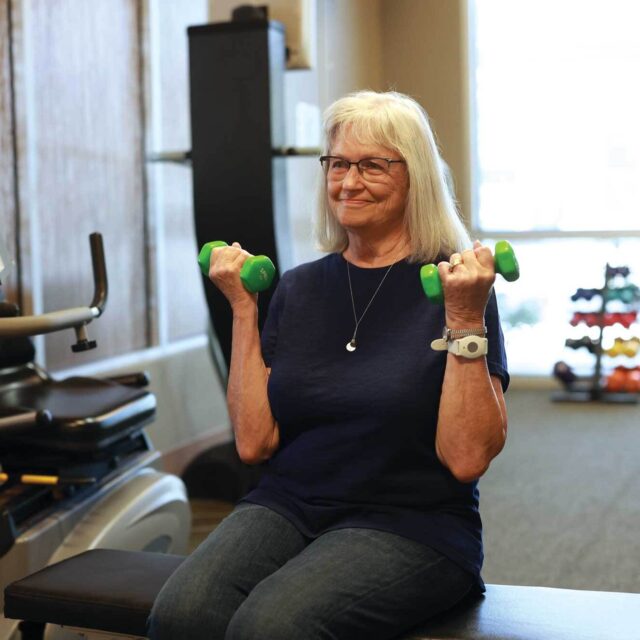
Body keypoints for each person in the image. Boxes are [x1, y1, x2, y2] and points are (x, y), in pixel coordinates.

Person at [148, 90, 509, 640]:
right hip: (289, 504)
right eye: (338, 163)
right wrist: (244, 310)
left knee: (271, 628)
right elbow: (254, 445)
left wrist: (463, 318)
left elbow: (465, 460)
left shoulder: (458, 289)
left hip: (412, 522)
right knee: (182, 614)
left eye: (372, 165)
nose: (348, 181)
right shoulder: (297, 288)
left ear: (415, 178)